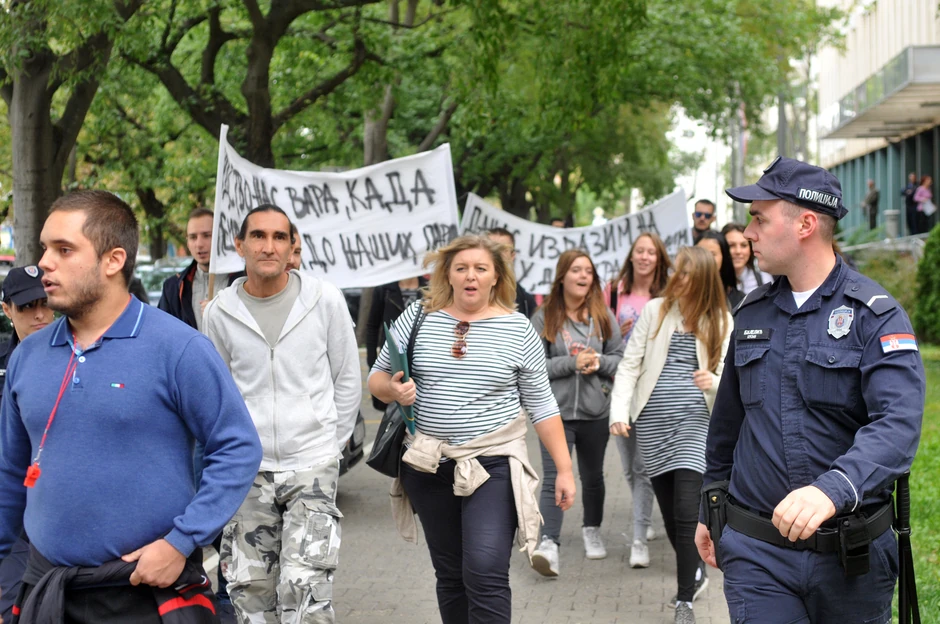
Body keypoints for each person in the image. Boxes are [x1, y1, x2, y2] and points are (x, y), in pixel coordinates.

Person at [0, 190, 262, 622]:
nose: (45, 262)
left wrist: (182, 541)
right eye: (46, 248)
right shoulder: (28, 356)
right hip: (48, 592)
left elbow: (236, 448)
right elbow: (10, 472)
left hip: (146, 596)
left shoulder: (178, 348)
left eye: (64, 250)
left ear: (113, 260)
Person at [695, 156, 926, 624]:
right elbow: (727, 427)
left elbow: (898, 424)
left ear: (805, 223)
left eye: (759, 218)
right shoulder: (753, 312)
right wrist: (710, 506)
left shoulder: (875, 315)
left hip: (850, 559)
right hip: (757, 554)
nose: (748, 232)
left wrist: (833, 489)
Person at [368, 235, 575, 624]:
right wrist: (393, 388)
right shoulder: (417, 318)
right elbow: (376, 378)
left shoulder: (518, 329)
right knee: (450, 575)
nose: (471, 276)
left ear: (496, 276)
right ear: (448, 273)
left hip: (493, 465)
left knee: (484, 568)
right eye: (461, 267)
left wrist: (563, 470)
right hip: (427, 465)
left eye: (481, 268)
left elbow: (543, 405)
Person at [203, 204, 361, 624]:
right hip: (247, 473)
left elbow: (347, 377)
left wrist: (331, 445)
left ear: (293, 247)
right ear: (240, 245)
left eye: (278, 237)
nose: (268, 246)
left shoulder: (323, 299)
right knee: (249, 597)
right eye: (258, 236)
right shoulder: (218, 312)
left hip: (311, 465)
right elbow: (218, 393)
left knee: (307, 592)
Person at [609, 246, 731, 624]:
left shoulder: (722, 320)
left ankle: (684, 603)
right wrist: (619, 412)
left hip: (696, 426)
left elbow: (732, 378)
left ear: (704, 280)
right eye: (677, 273)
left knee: (685, 512)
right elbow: (630, 365)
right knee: (669, 514)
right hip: (652, 425)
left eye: (686, 274)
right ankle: (692, 572)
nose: (677, 280)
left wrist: (713, 382)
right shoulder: (655, 310)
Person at [528, 250, 624, 576]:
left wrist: (598, 362)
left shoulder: (603, 315)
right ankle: (549, 544)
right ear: (562, 277)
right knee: (554, 476)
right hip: (553, 413)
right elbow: (532, 366)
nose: (583, 276)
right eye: (576, 270)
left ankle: (591, 529)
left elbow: (621, 357)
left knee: (593, 477)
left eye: (588, 271)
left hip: (596, 411)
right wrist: (572, 363)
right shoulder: (543, 316)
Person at [603, 232, 672, 567]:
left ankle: (639, 537)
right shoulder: (615, 290)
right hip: (620, 386)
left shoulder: (667, 294)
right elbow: (602, 332)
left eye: (651, 252)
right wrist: (619, 331)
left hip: (651, 390)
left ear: (659, 258)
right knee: (629, 468)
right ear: (631, 255)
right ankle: (644, 513)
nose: (645, 257)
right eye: (639, 251)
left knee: (643, 469)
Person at [0, 267, 53, 623]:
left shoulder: (75, 358)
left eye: (45, 305)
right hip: (14, 510)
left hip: (58, 508)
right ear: (7, 310)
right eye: (27, 307)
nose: (39, 315)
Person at [158, 207, 239, 331]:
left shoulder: (245, 283)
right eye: (193, 237)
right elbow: (162, 333)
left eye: (207, 235)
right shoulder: (173, 287)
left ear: (221, 237)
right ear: (187, 242)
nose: (199, 244)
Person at [365, 273, 429, 410]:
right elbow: (372, 327)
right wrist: (373, 363)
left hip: (421, 364)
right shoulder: (384, 289)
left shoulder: (429, 288)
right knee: (394, 414)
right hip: (392, 362)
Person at [485, 228, 537, 318]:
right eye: (490, 248)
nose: (496, 254)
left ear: (512, 256)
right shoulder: (469, 289)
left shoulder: (525, 299)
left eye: (502, 249)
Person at [695, 230, 744, 309]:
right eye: (701, 253)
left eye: (712, 254)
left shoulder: (739, 301)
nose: (706, 258)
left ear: (724, 257)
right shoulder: (684, 295)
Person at [721, 223, 772, 295]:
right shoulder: (712, 281)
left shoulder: (764, 280)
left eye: (743, 245)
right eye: (731, 245)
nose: (738, 251)